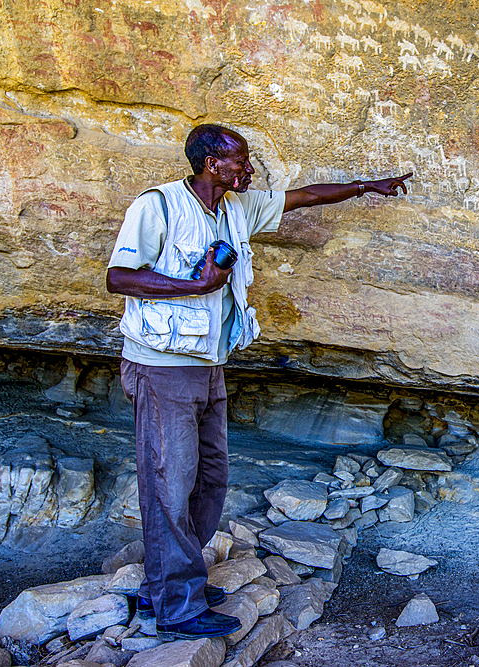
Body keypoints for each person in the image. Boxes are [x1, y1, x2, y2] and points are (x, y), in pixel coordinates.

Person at [106, 124, 410, 641]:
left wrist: (366, 185)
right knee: (170, 485)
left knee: (210, 482)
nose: (248, 170)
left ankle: (170, 585)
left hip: (207, 365)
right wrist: (193, 284)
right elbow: (119, 277)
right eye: (239, 161)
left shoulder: (235, 208)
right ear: (208, 162)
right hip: (161, 367)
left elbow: (304, 197)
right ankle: (176, 607)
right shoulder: (156, 207)